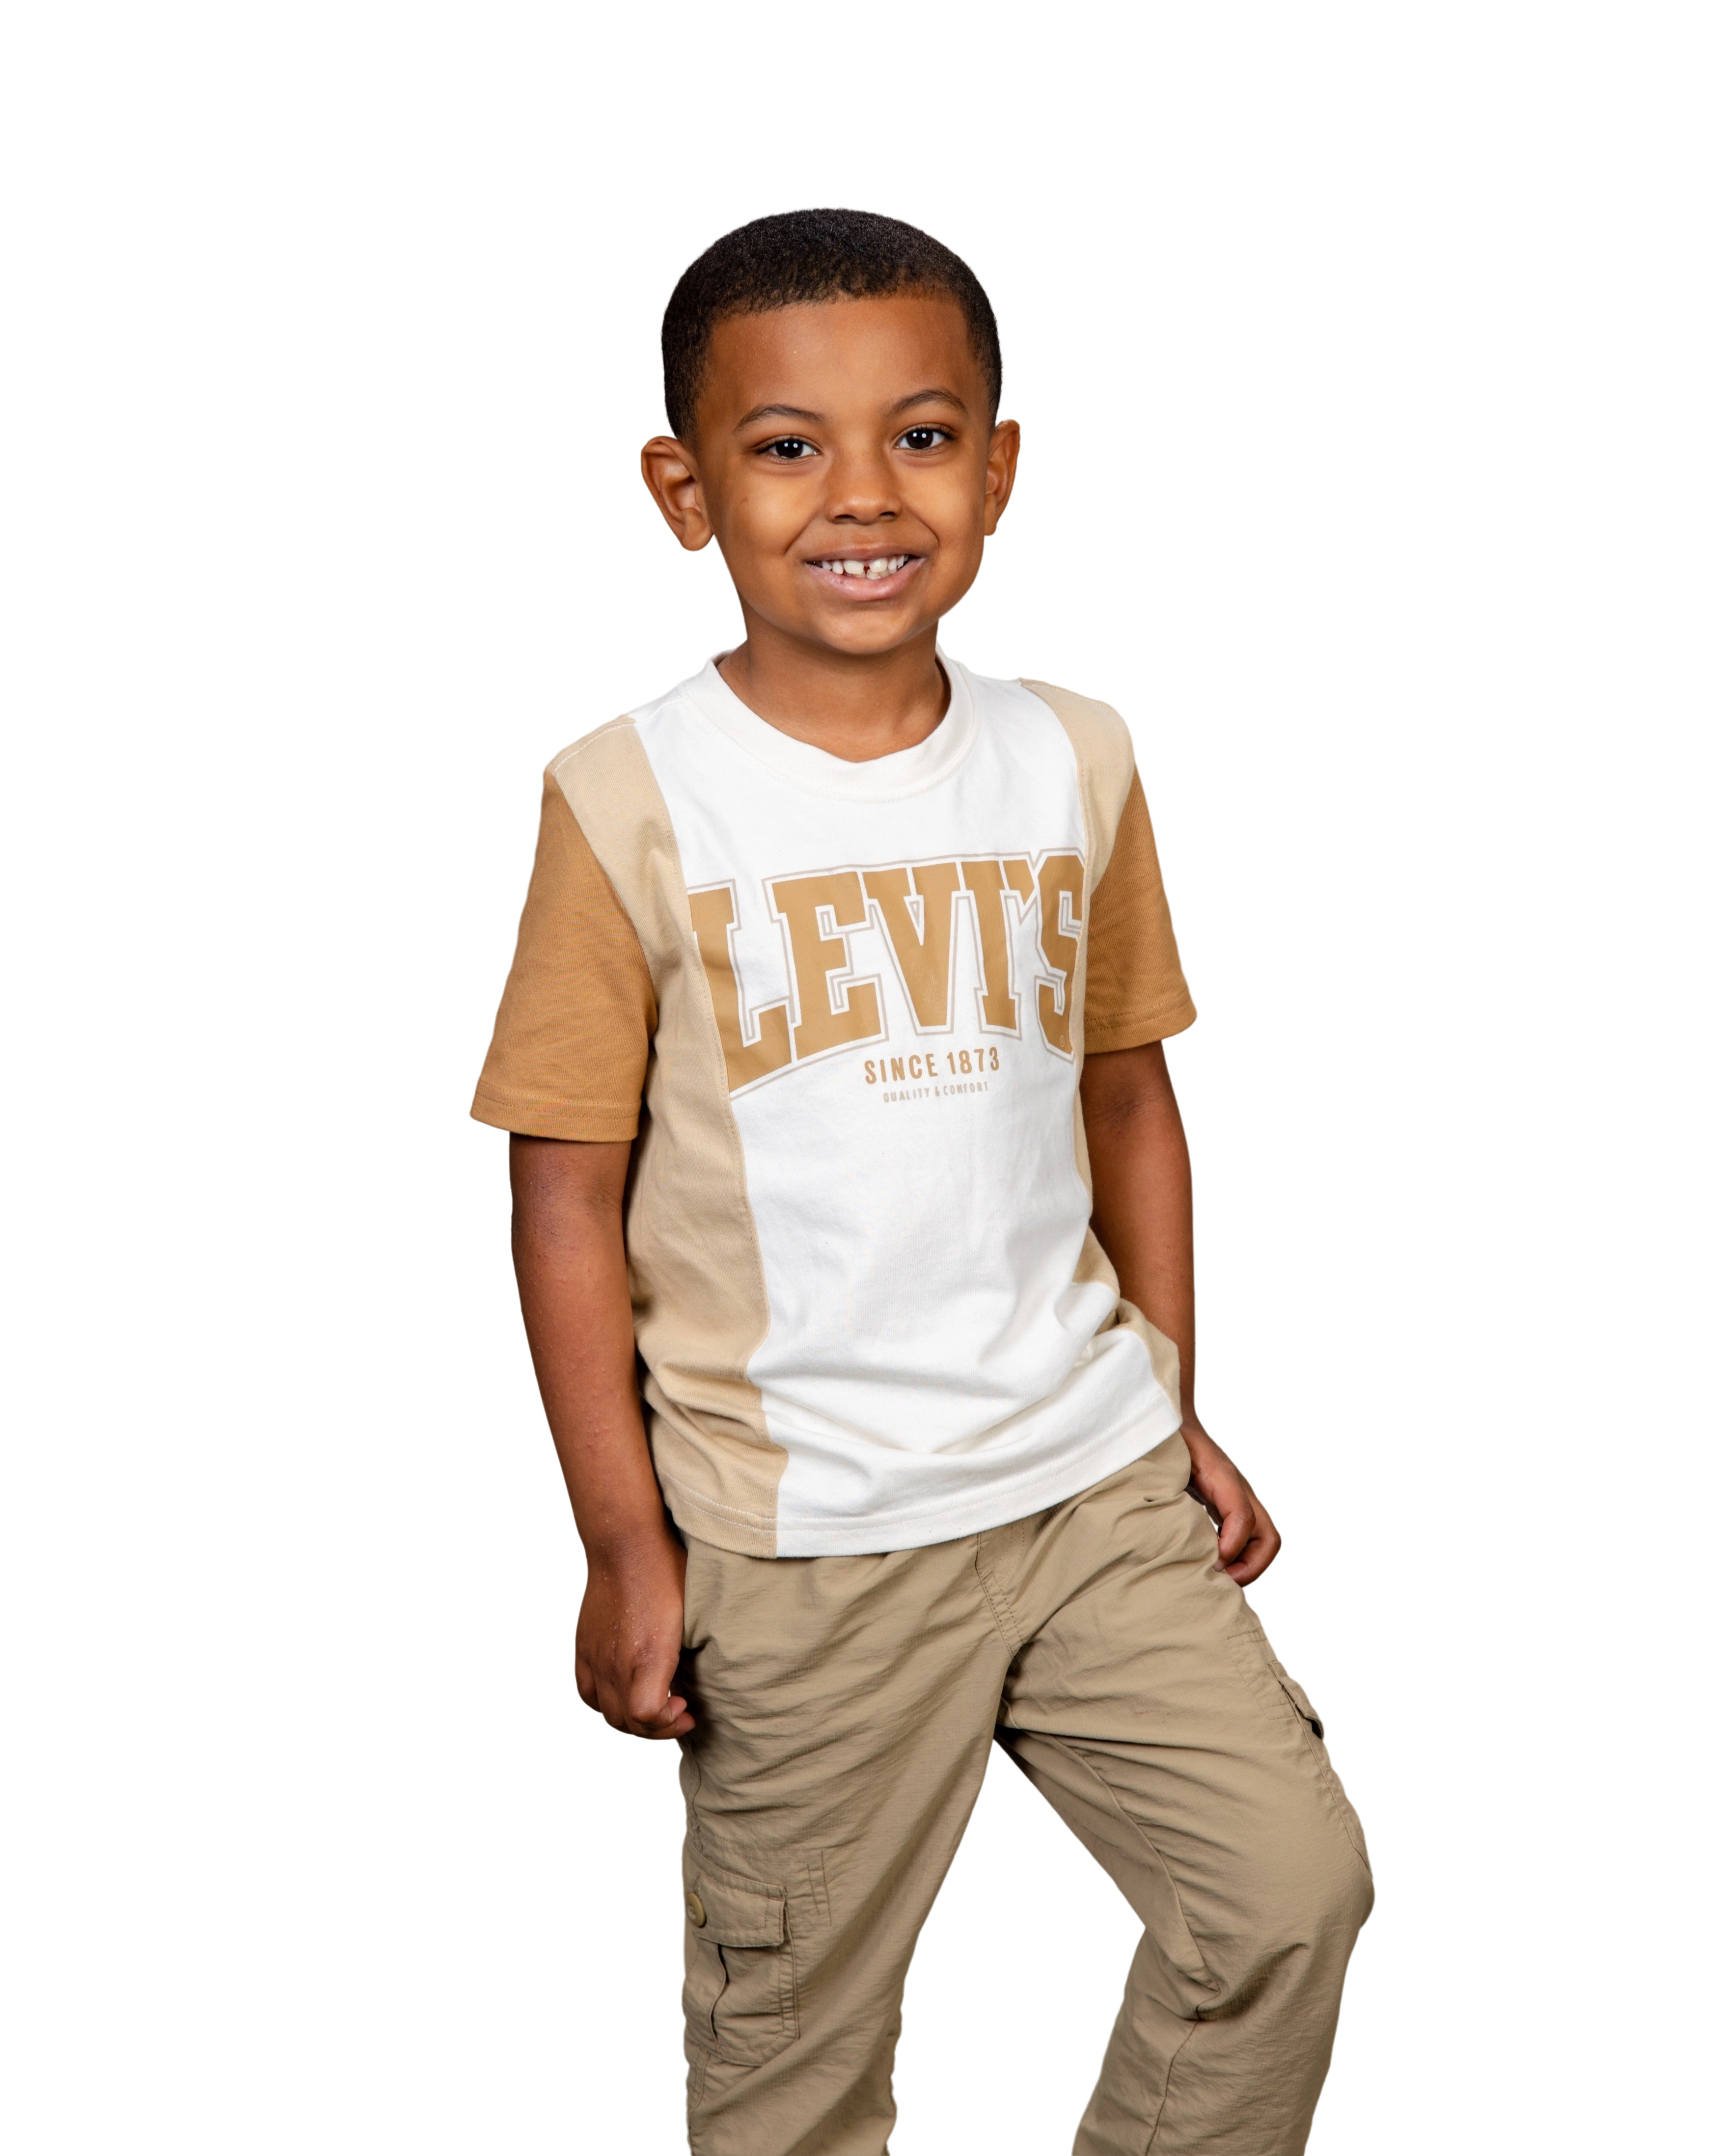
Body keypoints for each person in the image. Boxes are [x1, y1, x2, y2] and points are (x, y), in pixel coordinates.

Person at [468, 203, 1376, 2156]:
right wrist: (622, 1542)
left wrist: (1172, 1401)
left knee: (1285, 1894)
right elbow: (561, 1195)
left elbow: (1126, 1104)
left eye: (924, 434)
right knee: (795, 2067)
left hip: (1088, 1490)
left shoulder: (1075, 758)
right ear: (684, 492)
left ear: (1003, 467)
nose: (862, 492)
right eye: (787, 444)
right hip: (804, 1542)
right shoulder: (626, 797)